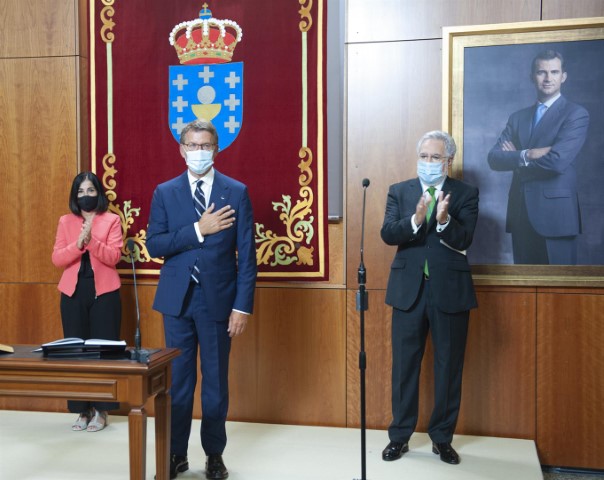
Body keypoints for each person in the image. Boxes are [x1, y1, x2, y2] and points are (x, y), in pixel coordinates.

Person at [146, 119, 257, 480]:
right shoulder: (165, 192)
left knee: (214, 384)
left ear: (216, 148)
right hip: (177, 302)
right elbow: (155, 245)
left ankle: (214, 455)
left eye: (205, 145)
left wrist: (241, 307)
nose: (198, 152)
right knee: (178, 384)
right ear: (181, 149)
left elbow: (247, 256)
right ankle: (176, 453)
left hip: (218, 303)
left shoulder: (236, 191)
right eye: (192, 146)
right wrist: (198, 230)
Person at [380, 130, 479, 465]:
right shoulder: (400, 191)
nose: (428, 163)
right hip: (408, 292)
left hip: (450, 292)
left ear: (448, 161)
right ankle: (399, 437)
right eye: (424, 156)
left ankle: (442, 438)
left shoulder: (465, 193)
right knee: (405, 367)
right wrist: (416, 219)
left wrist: (444, 221)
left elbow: (466, 238)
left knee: (448, 367)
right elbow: (388, 233)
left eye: (435, 157)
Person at [487, 49, 590, 265]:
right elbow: (494, 158)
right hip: (520, 213)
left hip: (557, 218)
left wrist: (515, 158)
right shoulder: (517, 118)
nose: (548, 78)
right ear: (532, 77)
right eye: (541, 72)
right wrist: (528, 154)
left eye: (554, 72)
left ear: (563, 76)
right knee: (524, 289)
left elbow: (557, 161)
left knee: (559, 293)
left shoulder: (575, 114)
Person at [51, 171, 123, 432]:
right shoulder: (65, 221)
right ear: (75, 196)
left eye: (90, 190)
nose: (86, 196)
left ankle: (102, 410)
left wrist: (91, 242)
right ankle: (82, 409)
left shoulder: (112, 220)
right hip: (72, 293)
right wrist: (78, 244)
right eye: (80, 192)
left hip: (105, 293)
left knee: (104, 353)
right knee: (75, 353)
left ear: (99, 193)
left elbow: (114, 257)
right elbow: (58, 259)